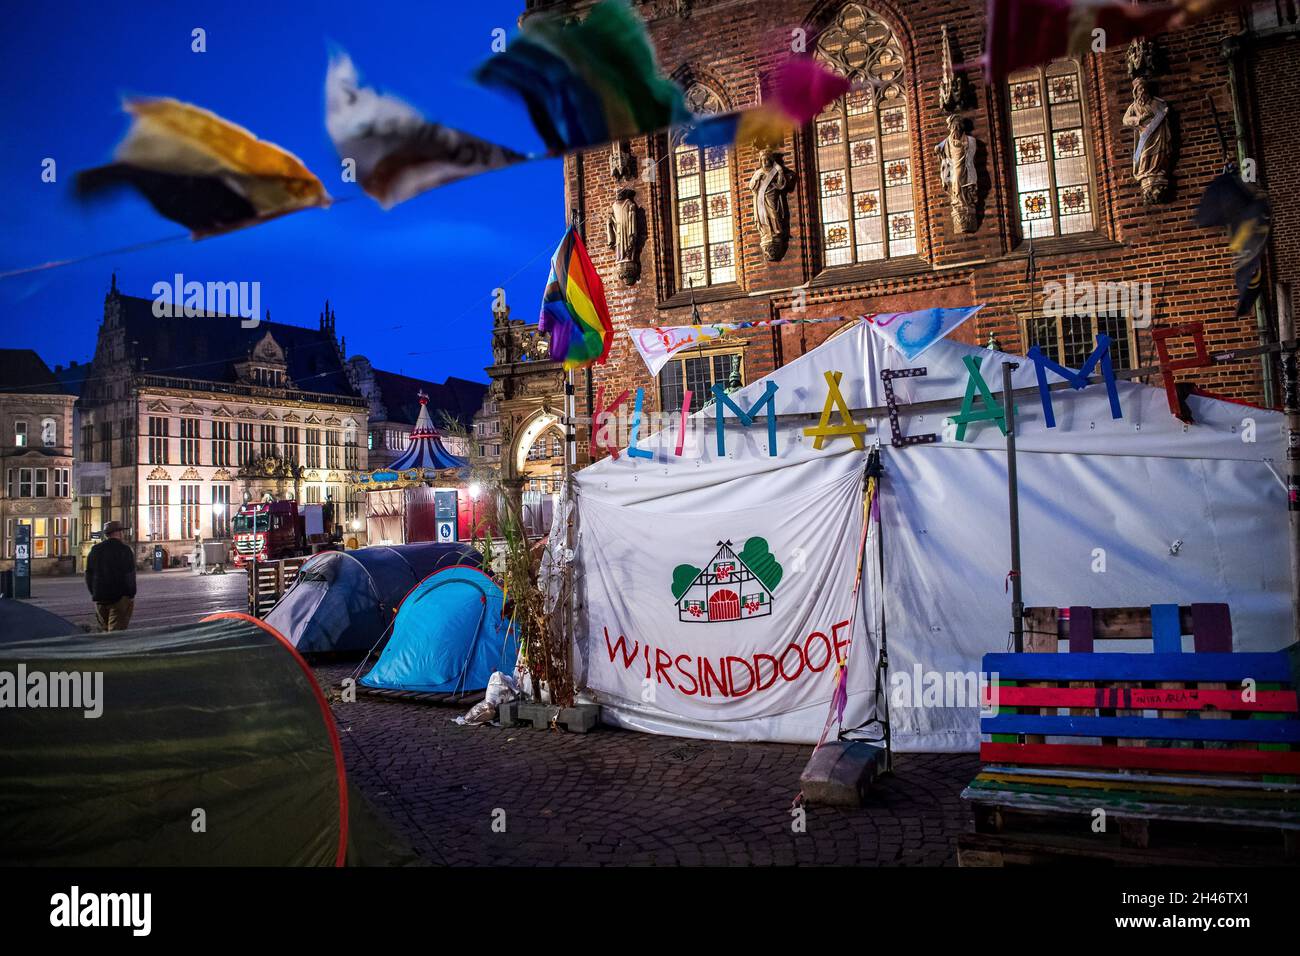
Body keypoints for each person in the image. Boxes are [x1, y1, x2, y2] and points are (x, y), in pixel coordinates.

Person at [85, 520, 137, 632]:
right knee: (116, 633)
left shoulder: (95, 550)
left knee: (104, 630)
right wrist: (131, 594)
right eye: (122, 532)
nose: (123, 534)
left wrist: (94, 592)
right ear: (118, 533)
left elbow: (88, 574)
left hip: (100, 598)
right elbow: (129, 574)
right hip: (119, 597)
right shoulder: (124, 550)